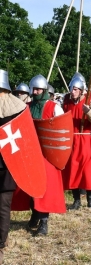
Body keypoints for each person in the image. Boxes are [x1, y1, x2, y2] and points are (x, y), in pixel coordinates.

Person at [12, 74, 67, 236]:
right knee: (28, 187)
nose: (35, 92)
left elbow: (61, 131)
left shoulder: (54, 107)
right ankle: (35, 213)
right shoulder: (26, 107)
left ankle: (44, 222)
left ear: (44, 90)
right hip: (30, 155)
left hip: (47, 156)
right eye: (33, 89)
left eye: (38, 89)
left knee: (45, 190)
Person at [0, 70, 28, 263]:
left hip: (8, 163)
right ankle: (2, 242)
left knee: (2, 207)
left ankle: (1, 244)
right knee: (3, 207)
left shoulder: (18, 107)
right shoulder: (20, 107)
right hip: (10, 162)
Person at [62, 76, 91, 210]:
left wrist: (88, 112)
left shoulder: (90, 101)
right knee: (72, 170)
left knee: (86, 171)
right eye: (72, 88)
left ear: (81, 90)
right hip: (71, 140)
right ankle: (76, 200)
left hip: (84, 140)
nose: (73, 91)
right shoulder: (66, 101)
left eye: (76, 89)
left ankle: (90, 198)